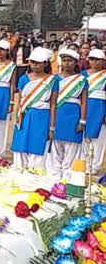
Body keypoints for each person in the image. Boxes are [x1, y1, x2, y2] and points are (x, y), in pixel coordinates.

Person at [10, 47, 57, 169]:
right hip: (25, 115)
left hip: (42, 116)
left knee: (37, 143)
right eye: (32, 62)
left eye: (38, 62)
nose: (35, 65)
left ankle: (36, 173)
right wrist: (17, 119)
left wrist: (52, 127)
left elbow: (53, 104)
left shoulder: (52, 80)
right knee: (21, 144)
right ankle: (19, 170)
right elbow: (20, 100)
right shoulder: (24, 78)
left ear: (45, 63)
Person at [47, 48, 86, 180]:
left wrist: (82, 121)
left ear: (76, 62)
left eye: (70, 61)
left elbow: (84, 102)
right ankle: (54, 177)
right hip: (57, 113)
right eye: (64, 60)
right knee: (55, 147)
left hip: (73, 114)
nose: (67, 63)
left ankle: (67, 179)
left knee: (71, 148)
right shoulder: (53, 79)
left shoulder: (81, 80)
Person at [84, 49, 106, 171]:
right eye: (92, 59)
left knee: (99, 139)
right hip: (84, 107)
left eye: (98, 60)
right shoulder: (82, 75)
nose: (95, 62)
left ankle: (95, 166)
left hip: (100, 108)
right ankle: (85, 164)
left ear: (103, 61)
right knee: (84, 138)